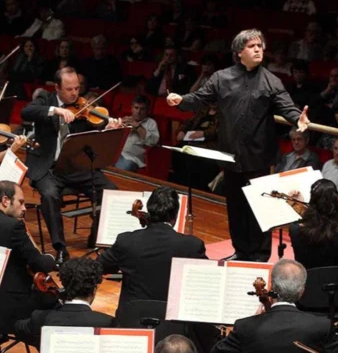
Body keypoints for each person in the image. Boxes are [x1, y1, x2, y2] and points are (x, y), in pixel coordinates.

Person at [167, 29, 310, 262]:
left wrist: (298, 118)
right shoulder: (221, 78)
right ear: (239, 52)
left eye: (260, 46)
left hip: (259, 156)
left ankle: (260, 255)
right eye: (252, 46)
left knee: (260, 209)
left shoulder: (271, 80)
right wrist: (181, 100)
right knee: (235, 209)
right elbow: (200, 98)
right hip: (230, 155)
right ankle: (242, 251)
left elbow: (287, 107)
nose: (258, 50)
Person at [20, 66, 120, 266]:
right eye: (69, 89)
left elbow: (96, 128)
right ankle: (60, 248)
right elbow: (27, 112)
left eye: (77, 88)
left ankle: (96, 237)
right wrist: (56, 111)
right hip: (48, 168)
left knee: (111, 192)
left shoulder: (84, 109)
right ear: (57, 87)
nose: (75, 94)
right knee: (49, 195)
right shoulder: (46, 101)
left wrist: (109, 126)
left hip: (76, 167)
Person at [98, 186, 208, 319]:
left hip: (131, 320)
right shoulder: (192, 246)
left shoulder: (126, 241)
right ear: (175, 215)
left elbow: (99, 267)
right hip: (172, 323)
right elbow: (204, 283)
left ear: (149, 210)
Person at [0, 181, 56, 336]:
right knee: (53, 306)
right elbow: (40, 263)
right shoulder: (12, 227)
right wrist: (50, 257)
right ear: (5, 201)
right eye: (21, 203)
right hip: (2, 310)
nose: (24, 208)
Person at [210, 259, 338, 353]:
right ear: (302, 291)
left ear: (271, 287)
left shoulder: (245, 327)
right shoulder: (322, 325)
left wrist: (253, 321)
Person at [15, 258, 116, 349]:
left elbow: (18, 328)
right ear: (94, 290)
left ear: (63, 284)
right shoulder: (107, 323)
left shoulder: (39, 319)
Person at [289, 179, 338, 270]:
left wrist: (298, 204)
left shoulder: (294, 229)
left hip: (306, 282)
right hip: (335, 281)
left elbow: (312, 221)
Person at [116, 95, 159, 172]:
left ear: (147, 110)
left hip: (132, 158)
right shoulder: (125, 120)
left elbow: (153, 142)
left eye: (142, 109)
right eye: (136, 108)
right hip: (116, 154)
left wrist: (138, 126)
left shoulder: (151, 123)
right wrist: (118, 125)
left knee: (122, 167)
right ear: (131, 108)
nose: (138, 112)